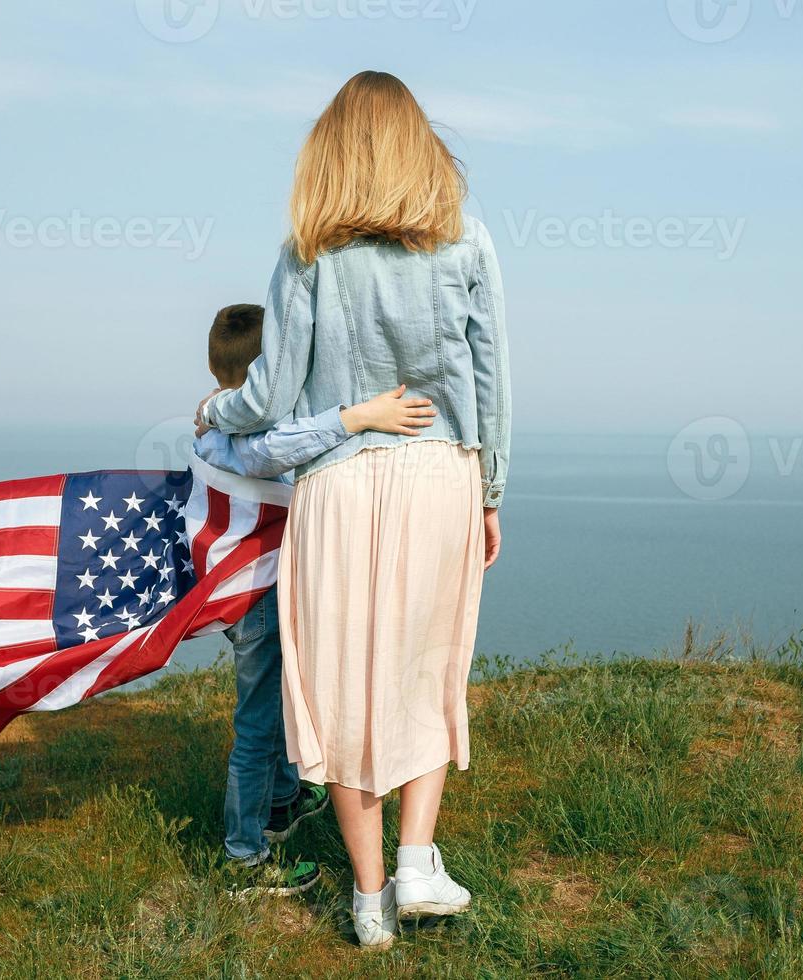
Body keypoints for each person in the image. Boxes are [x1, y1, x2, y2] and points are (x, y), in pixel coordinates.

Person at [196, 70, 511, 948]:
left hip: (336, 485)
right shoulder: (467, 242)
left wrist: (215, 411)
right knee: (425, 666)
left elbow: (267, 394)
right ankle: (416, 860)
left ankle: (370, 905)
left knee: (339, 686)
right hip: (438, 473)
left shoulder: (307, 254)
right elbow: (493, 384)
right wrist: (491, 493)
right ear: (421, 146)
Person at [193, 302, 439, 896]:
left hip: (250, 591)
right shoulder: (239, 440)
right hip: (254, 597)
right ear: (266, 378)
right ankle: (243, 858)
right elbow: (274, 450)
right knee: (256, 724)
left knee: (281, 701)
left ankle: (280, 805)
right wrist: (356, 417)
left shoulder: (209, 422)